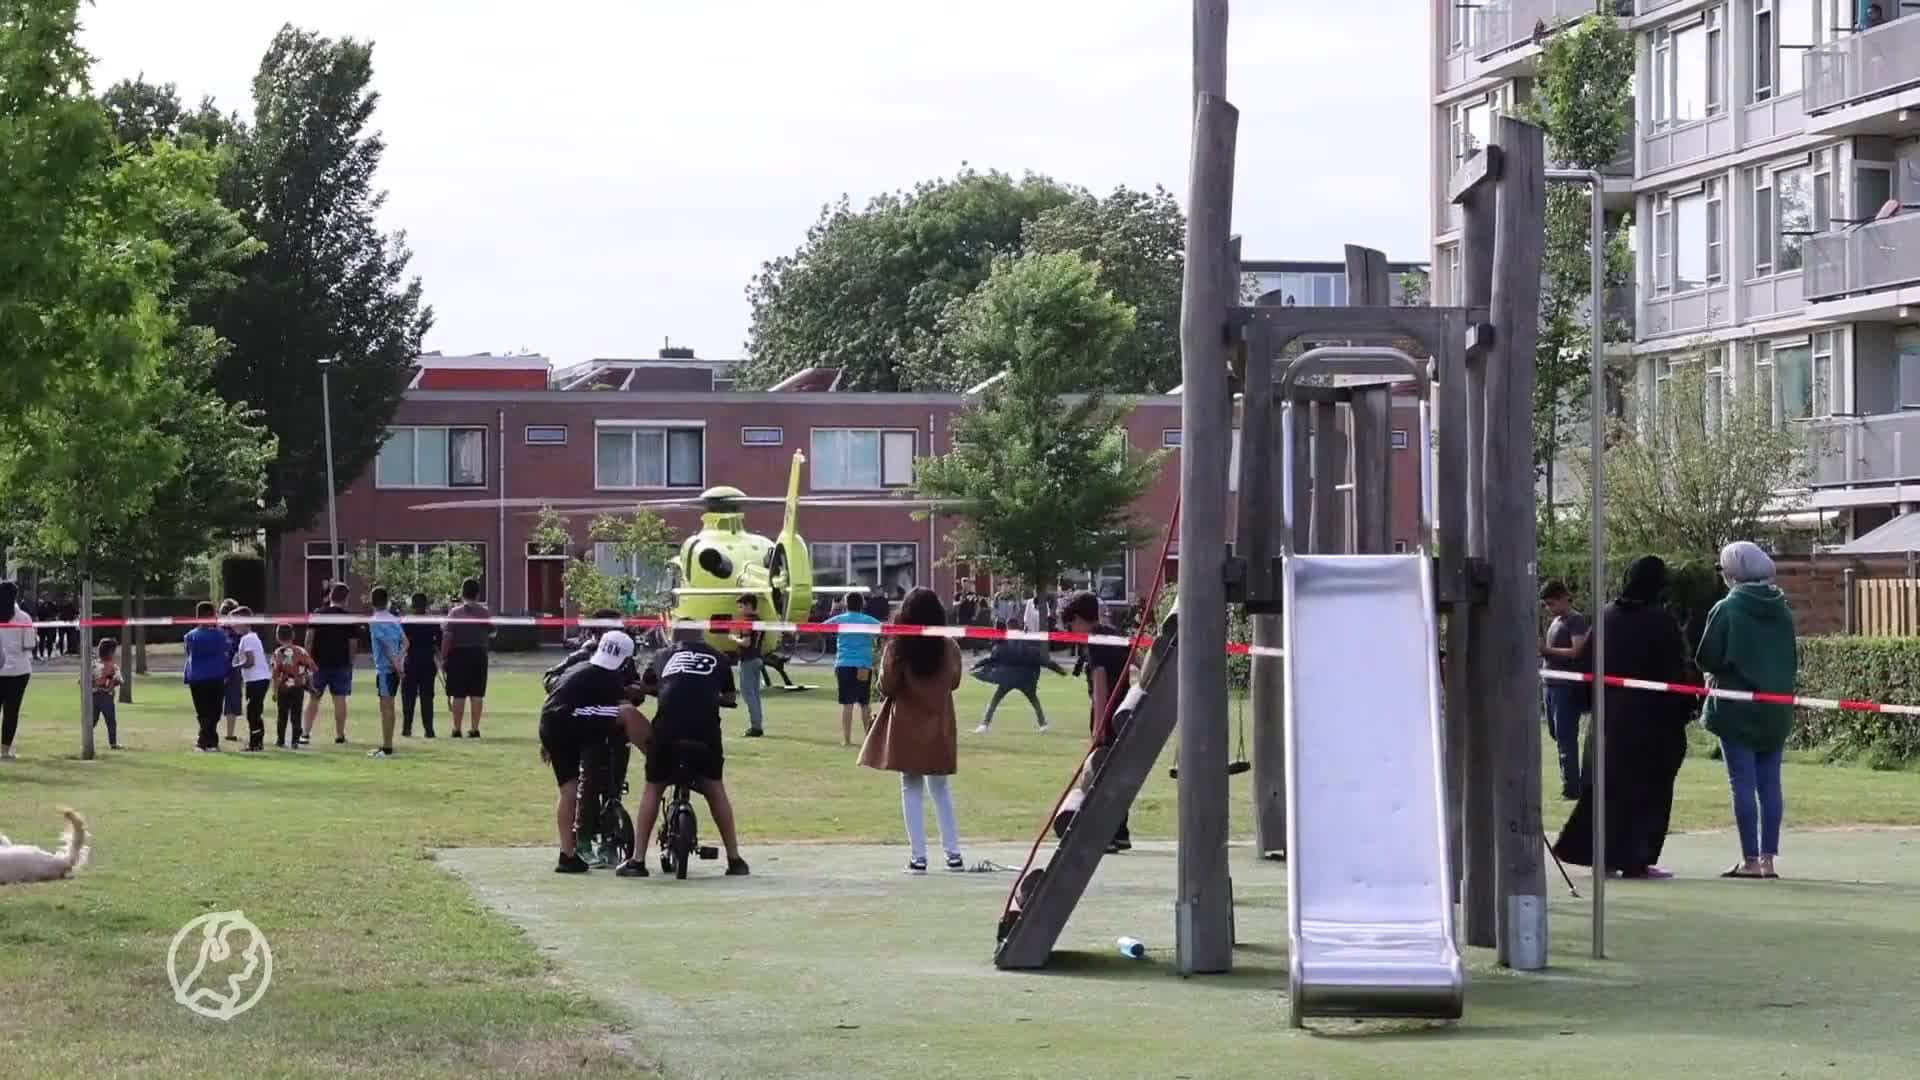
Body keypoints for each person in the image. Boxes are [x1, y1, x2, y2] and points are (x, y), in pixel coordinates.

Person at [1553, 556, 1694, 880]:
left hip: (1609, 720)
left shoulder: (1606, 616)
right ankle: (1636, 859)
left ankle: (1600, 855)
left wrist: (1586, 703)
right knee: (1649, 791)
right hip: (1652, 723)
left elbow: (1585, 666)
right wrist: (1684, 711)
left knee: (1607, 789)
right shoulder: (1661, 621)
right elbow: (1676, 672)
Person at [1697, 541, 1798, 880]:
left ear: (1733, 572)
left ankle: (1750, 860)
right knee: (1770, 784)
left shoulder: (1728, 608)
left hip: (1736, 707)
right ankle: (1768, 859)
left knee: (1741, 783)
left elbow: (1707, 657)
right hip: (1776, 708)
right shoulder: (1782, 608)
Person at [617, 625, 750, 878]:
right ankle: (735, 859)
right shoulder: (720, 657)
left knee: (654, 788)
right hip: (705, 731)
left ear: (673, 637)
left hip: (668, 729)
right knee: (714, 788)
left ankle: (637, 860)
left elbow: (646, 687)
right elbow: (730, 696)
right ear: (701, 636)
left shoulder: (661, 656)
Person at [860, 588, 966, 873]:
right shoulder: (949, 646)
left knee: (911, 789)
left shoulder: (897, 647)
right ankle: (954, 854)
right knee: (941, 790)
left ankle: (918, 858)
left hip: (906, 726)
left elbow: (886, 686)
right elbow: (954, 682)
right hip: (939, 726)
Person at [539, 630, 653, 874]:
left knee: (569, 791)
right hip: (571, 720)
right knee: (628, 713)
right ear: (625, 659)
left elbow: (555, 701)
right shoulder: (610, 677)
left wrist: (548, 743)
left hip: (551, 725)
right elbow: (623, 709)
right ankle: (660, 762)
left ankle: (567, 855)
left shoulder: (579, 668)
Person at [1064, 591, 1133, 853]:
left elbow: (1100, 682)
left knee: (1100, 775)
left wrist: (1098, 727)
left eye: (1071, 624)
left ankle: (1107, 834)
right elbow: (1138, 660)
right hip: (1124, 712)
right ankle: (1121, 832)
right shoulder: (1114, 634)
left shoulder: (1094, 643)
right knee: (1116, 773)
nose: (1071, 631)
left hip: (1106, 714)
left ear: (1080, 619)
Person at [1538, 581, 1592, 800]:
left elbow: (1576, 650)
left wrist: (1547, 650)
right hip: (1550, 684)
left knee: (1565, 737)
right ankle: (1573, 783)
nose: (1549, 609)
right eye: (1547, 605)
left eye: (1552, 604)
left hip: (1566, 687)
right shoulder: (1556, 621)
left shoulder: (1575, 620)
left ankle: (1571, 788)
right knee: (1556, 733)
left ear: (1563, 598)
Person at [972, 621, 1067, 733]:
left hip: (1008, 678)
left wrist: (976, 665)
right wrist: (1060, 670)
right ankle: (1043, 724)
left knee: (995, 700)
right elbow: (1043, 661)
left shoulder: (1003, 643)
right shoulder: (1027, 642)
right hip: (1025, 678)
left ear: (1008, 628)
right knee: (1034, 701)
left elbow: (990, 659)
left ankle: (984, 724)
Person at [303, 582, 360, 745]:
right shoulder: (349, 618)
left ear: (330, 596)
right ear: (346, 598)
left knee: (313, 698)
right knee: (340, 700)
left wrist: (307, 660)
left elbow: (309, 639)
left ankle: (305, 733)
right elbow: (353, 644)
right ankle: (340, 735)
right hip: (341, 663)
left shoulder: (317, 614)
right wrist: (350, 663)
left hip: (318, 663)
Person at [826, 593, 881, 747]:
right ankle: (869, 739)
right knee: (864, 703)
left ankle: (847, 739)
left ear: (845, 604)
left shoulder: (840, 619)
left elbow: (820, 627)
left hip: (844, 664)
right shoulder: (869, 620)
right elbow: (886, 630)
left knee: (847, 704)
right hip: (863, 665)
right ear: (862, 604)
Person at [442, 577, 492, 738]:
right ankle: (475, 729)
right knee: (477, 694)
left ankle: (457, 729)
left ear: (462, 593)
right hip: (479, 654)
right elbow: (493, 632)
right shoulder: (484, 612)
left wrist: (444, 656)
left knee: (458, 694)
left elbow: (448, 636)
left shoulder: (454, 613)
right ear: (477, 594)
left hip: (458, 655)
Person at [184, 601, 232, 752]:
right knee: (214, 711)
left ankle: (208, 742)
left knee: (203, 712)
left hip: (197, 678)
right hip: (215, 676)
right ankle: (205, 742)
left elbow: (188, 652)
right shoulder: (220, 635)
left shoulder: (190, 636)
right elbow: (227, 651)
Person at [367, 587, 407, 758]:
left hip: (385, 670)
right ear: (387, 601)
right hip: (394, 668)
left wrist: (395, 663)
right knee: (389, 707)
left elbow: (384, 645)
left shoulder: (374, 621)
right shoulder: (394, 620)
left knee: (386, 708)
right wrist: (399, 660)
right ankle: (387, 745)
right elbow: (406, 643)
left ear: (372, 602)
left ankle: (387, 748)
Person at [401, 592, 442, 738]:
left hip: (411, 661)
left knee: (408, 697)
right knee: (427, 698)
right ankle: (429, 730)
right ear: (426, 605)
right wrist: (441, 660)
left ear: (412, 605)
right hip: (427, 662)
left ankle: (407, 728)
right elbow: (438, 643)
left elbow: (402, 642)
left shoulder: (407, 621)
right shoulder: (432, 621)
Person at [0, 583, 33, 761]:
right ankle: (5, 751)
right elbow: (29, 645)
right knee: (11, 712)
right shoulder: (24, 617)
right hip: (19, 671)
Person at [271, 624, 317, 749]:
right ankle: (295, 740)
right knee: (296, 714)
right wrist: (311, 686)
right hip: (298, 687)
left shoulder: (278, 653)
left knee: (282, 715)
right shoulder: (301, 651)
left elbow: (275, 675)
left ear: (277, 637)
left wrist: (274, 692)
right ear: (293, 635)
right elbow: (309, 670)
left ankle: (280, 740)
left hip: (283, 688)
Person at [232, 608, 271, 752]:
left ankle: (256, 743)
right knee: (254, 712)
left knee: (253, 713)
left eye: (235, 622)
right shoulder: (252, 637)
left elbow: (250, 661)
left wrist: (235, 667)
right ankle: (257, 742)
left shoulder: (247, 639)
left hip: (256, 680)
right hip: (257, 679)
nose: (233, 625)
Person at [732, 595, 767, 737]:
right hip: (758, 658)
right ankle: (757, 724)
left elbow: (746, 642)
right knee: (755, 695)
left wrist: (734, 638)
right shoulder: (760, 621)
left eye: (741, 606)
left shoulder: (747, 621)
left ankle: (756, 726)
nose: (739, 610)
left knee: (748, 694)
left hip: (748, 659)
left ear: (748, 605)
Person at [219, 598, 244, 743]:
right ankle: (230, 733)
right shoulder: (240, 631)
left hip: (216, 668)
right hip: (234, 668)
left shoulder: (215, 629)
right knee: (232, 700)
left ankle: (210, 729)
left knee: (214, 700)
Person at [91, 638, 124, 750]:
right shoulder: (113, 666)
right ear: (110, 652)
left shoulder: (93, 665)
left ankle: (87, 741)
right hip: (107, 697)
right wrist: (111, 685)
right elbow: (119, 680)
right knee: (111, 721)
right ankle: (113, 743)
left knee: (92, 721)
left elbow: (83, 680)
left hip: (93, 696)